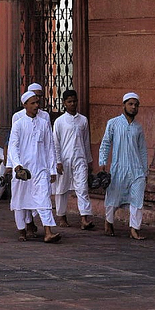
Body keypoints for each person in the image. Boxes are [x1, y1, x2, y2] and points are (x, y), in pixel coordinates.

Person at [7, 91, 61, 243]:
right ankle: (22, 230)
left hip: (40, 169)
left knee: (44, 199)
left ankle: (48, 232)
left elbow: (50, 147)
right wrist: (17, 166)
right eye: (33, 103)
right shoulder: (18, 124)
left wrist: (51, 169)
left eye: (37, 102)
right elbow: (13, 147)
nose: (37, 105)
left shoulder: (44, 124)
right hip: (23, 171)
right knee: (20, 200)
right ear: (25, 105)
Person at [98, 92, 148, 240]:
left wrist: (145, 170)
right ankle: (109, 222)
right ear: (124, 105)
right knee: (113, 197)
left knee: (137, 199)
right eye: (130, 104)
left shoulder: (138, 128)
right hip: (118, 168)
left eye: (136, 105)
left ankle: (134, 229)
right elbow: (106, 143)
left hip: (137, 169)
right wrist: (102, 162)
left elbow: (143, 149)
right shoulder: (113, 123)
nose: (133, 107)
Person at [53, 89, 93, 229]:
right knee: (62, 188)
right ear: (64, 103)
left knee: (82, 187)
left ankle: (84, 218)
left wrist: (89, 160)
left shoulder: (83, 120)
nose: (72, 104)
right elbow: (56, 143)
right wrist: (58, 161)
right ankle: (62, 216)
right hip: (64, 160)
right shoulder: (59, 122)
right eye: (69, 101)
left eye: (74, 101)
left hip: (80, 158)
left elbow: (86, 141)